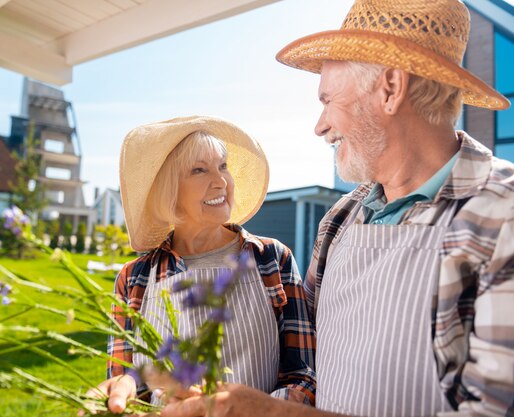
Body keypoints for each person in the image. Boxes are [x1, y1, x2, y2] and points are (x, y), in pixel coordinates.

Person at [154, 0, 513, 416]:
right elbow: (304, 360)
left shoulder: (500, 217)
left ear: (391, 89)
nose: (319, 125)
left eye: (327, 100)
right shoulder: (342, 218)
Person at [96, 115, 316, 413]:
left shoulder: (272, 260)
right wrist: (126, 390)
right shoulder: (136, 278)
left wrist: (250, 410)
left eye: (223, 166)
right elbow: (126, 382)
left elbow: (304, 377)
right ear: (169, 189)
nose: (221, 180)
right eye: (199, 170)